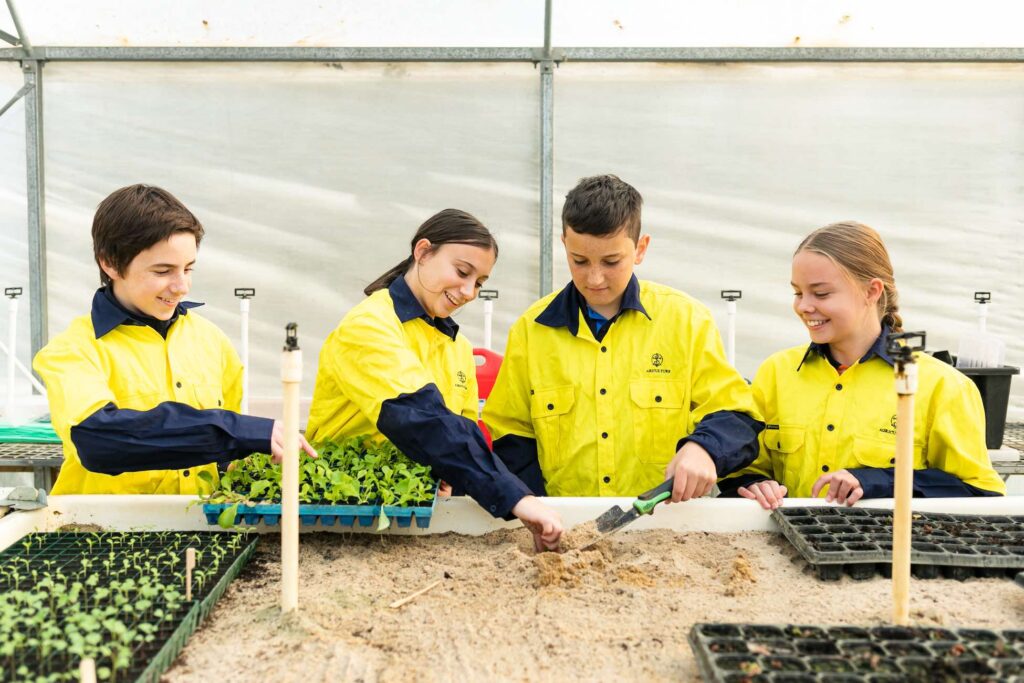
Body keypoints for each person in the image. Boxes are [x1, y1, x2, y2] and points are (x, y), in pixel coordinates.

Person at [482, 175, 763, 502]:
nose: (594, 278)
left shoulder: (686, 321)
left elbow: (736, 413)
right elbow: (511, 434)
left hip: (666, 519)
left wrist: (704, 449)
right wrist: (538, 506)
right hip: (563, 521)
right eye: (579, 261)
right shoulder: (531, 331)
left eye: (611, 261)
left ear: (640, 249)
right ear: (564, 244)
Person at [305, 209, 563, 551]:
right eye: (462, 272)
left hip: (413, 519)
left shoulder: (458, 348)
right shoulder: (368, 326)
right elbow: (420, 417)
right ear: (423, 252)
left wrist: (448, 476)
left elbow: (462, 432)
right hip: (342, 517)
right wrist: (516, 496)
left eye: (479, 283)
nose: (469, 292)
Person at [34, 184, 316, 495]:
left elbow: (222, 458)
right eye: (163, 271)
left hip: (198, 520)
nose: (181, 286)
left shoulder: (211, 341)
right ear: (110, 263)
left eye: (188, 268)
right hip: (99, 522)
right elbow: (97, 440)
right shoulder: (72, 351)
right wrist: (236, 431)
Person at [720, 221, 1006, 508]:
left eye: (821, 293)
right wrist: (754, 484)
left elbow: (980, 492)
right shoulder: (776, 372)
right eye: (798, 293)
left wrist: (876, 482)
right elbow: (744, 469)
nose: (804, 306)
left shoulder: (942, 386)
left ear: (872, 291)